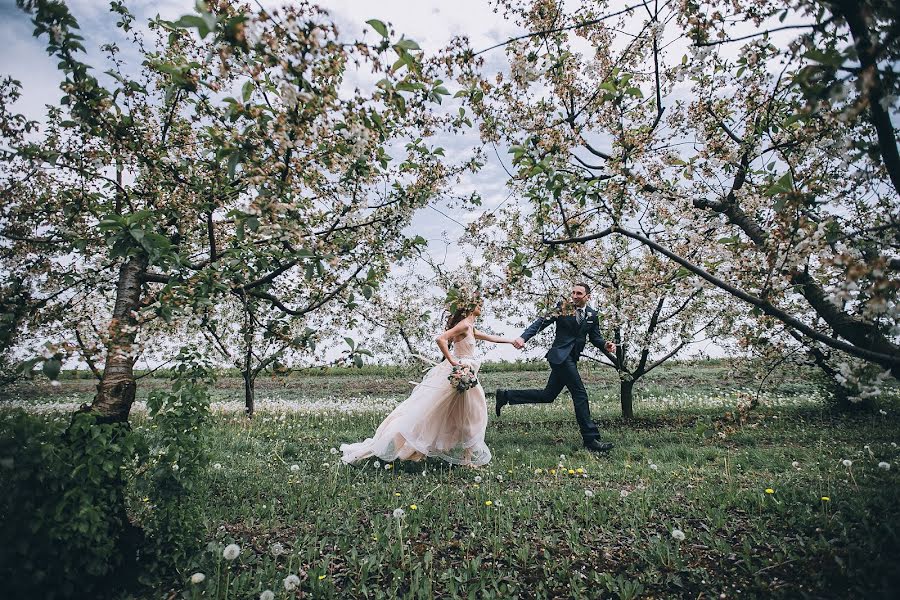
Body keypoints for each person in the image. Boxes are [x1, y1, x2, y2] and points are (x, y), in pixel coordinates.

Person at [340, 293, 515, 467]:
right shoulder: (463, 325)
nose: (481, 307)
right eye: (478, 304)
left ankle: (465, 458)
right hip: (460, 374)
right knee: (450, 413)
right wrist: (453, 361)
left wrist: (512, 341)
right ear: (469, 307)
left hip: (467, 375)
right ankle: (417, 446)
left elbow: (492, 338)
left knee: (468, 414)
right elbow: (441, 339)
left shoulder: (470, 327)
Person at [495, 282, 616, 452]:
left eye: (579, 293)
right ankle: (591, 440)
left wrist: (605, 345)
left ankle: (506, 395)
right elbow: (541, 322)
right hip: (560, 357)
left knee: (548, 395)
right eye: (573, 292)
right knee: (580, 394)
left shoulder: (592, 315)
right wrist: (523, 338)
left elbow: (595, 338)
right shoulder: (563, 307)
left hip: (571, 359)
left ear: (588, 297)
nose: (574, 296)